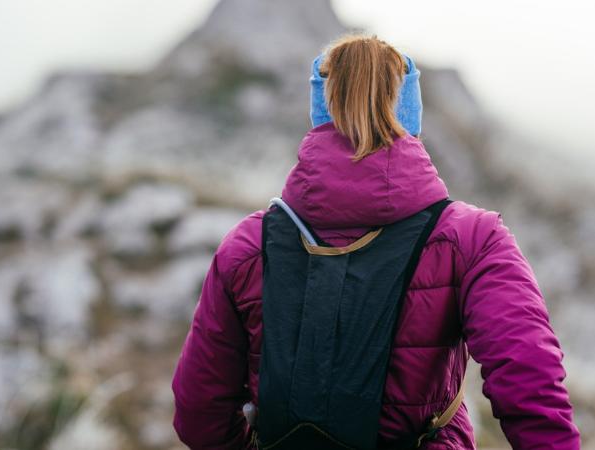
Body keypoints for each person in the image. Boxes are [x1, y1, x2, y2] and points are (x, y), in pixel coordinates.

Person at [171, 33, 580, 449]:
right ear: (411, 114)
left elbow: (198, 413)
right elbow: (530, 381)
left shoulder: (247, 244)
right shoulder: (472, 238)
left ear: (320, 112)